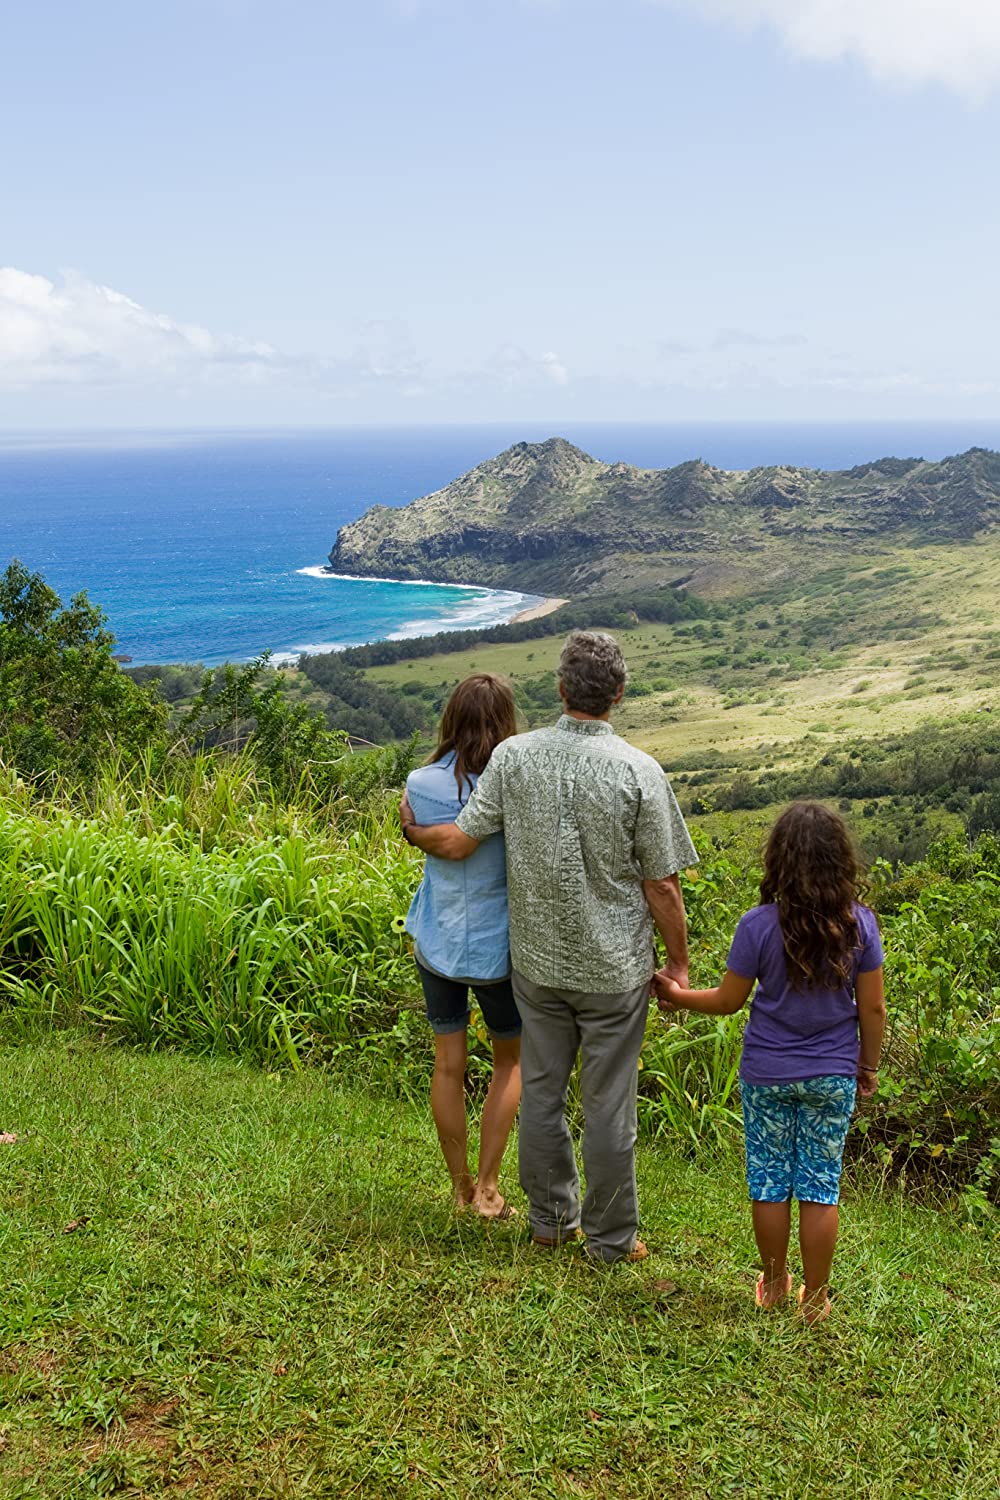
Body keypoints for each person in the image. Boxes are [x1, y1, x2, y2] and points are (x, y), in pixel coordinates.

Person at [402, 631, 697, 1264]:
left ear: (561, 688)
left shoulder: (513, 758)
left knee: (541, 1092)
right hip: (613, 968)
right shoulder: (638, 771)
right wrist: (677, 962)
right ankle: (611, 1240)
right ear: (619, 693)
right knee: (608, 1105)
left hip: (534, 962)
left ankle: (550, 1222)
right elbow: (662, 885)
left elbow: (461, 839)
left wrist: (414, 832)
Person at [655, 801, 886, 1324]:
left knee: (769, 1180)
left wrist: (675, 995)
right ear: (840, 860)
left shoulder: (757, 925)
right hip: (832, 1072)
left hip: (767, 1072)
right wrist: (867, 1066)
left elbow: (727, 1001)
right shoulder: (861, 926)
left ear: (779, 859)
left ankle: (776, 1283)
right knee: (820, 1185)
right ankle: (816, 1299)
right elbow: (873, 1008)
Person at [403, 673, 522, 1220]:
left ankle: (460, 1186)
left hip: (438, 939)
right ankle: (489, 1188)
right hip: (500, 949)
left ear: (450, 718)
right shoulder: (513, 786)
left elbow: (434, 841)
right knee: (509, 1062)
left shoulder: (419, 783)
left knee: (448, 1064)